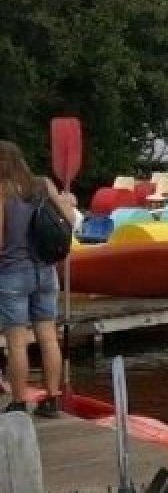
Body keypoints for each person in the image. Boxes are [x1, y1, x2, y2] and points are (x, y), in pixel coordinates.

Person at [0, 140, 73, 417]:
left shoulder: (2, 191)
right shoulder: (42, 185)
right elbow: (69, 220)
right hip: (45, 270)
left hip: (11, 273)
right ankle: (52, 399)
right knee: (49, 338)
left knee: (17, 343)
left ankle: (19, 402)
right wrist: (68, 201)